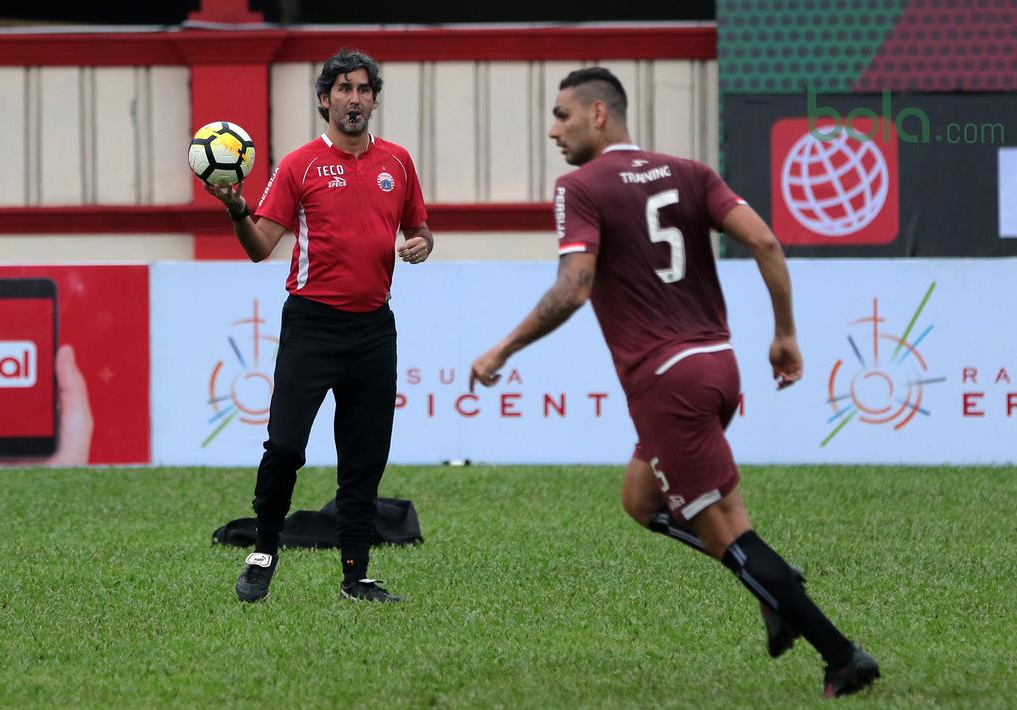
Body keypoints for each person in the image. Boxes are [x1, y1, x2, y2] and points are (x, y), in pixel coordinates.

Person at [469, 68, 880, 698]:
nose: (553, 130)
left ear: (599, 114)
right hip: (717, 366)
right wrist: (785, 333)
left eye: (562, 115)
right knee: (641, 500)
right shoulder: (692, 173)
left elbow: (574, 287)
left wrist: (503, 348)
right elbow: (767, 243)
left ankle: (839, 654)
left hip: (666, 383)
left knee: (729, 528)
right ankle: (771, 584)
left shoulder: (580, 187)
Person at [205, 49, 432, 604]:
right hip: (311, 326)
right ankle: (263, 553)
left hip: (374, 329)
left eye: (363, 89)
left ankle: (356, 577)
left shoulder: (398, 163)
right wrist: (236, 209)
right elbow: (260, 246)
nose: (354, 99)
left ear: (373, 100)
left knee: (364, 459)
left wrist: (422, 244)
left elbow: (420, 228)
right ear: (325, 100)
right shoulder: (299, 164)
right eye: (343, 89)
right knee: (285, 447)